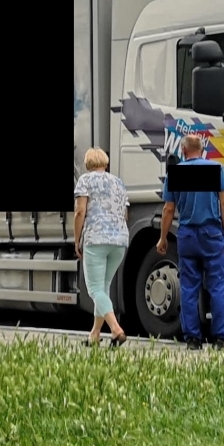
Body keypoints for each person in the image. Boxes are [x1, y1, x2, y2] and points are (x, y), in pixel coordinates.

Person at [157, 133, 224, 350]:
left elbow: (168, 209)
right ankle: (221, 339)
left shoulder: (176, 173)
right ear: (203, 150)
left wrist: (163, 238)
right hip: (212, 235)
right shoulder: (215, 170)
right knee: (218, 286)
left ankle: (192, 339)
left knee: (189, 288)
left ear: (183, 151)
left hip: (187, 235)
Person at [73, 147, 130, 347]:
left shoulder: (85, 181)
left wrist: (76, 239)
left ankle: (115, 329)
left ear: (88, 164)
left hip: (96, 239)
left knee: (95, 289)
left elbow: (80, 211)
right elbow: (125, 215)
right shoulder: (119, 183)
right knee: (103, 289)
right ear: (105, 162)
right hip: (120, 241)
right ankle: (95, 334)